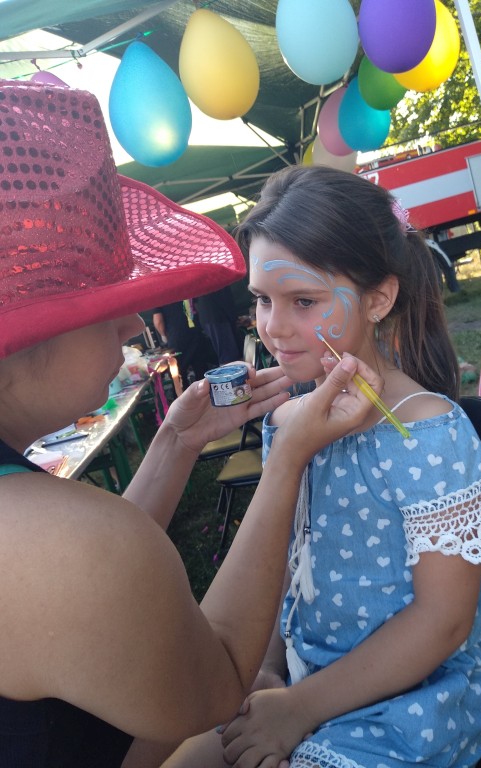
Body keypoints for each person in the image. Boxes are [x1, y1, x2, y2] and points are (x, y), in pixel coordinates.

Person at [0, 80, 382, 768]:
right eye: (102, 304)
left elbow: (86, 579)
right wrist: (287, 461)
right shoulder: (55, 546)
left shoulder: (49, 541)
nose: (132, 323)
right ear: (19, 343)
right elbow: (222, 680)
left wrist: (177, 442)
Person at [170, 164, 481, 768]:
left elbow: (443, 622)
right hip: (301, 681)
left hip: (411, 713)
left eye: (303, 301)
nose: (273, 327)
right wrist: (263, 666)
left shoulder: (427, 438)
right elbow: (284, 558)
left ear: (378, 299)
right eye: (261, 299)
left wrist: (300, 707)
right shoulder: (293, 420)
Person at [152, 300, 215, 389]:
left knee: (179, 375)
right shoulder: (184, 292)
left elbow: (158, 320)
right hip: (195, 333)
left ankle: (184, 395)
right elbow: (197, 307)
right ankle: (206, 394)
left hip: (176, 338)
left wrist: (163, 335)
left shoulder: (158, 297)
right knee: (201, 370)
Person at [195, 285, 244, 365]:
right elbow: (223, 296)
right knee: (229, 356)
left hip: (212, 316)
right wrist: (233, 316)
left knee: (231, 354)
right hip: (217, 316)